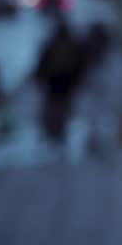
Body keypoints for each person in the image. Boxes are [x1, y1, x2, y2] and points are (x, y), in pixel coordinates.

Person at [33, 10, 86, 145]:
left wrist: (39, 77)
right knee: (59, 109)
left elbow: (43, 63)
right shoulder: (70, 44)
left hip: (57, 83)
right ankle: (55, 134)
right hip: (63, 83)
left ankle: (54, 134)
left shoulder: (55, 44)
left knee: (56, 109)